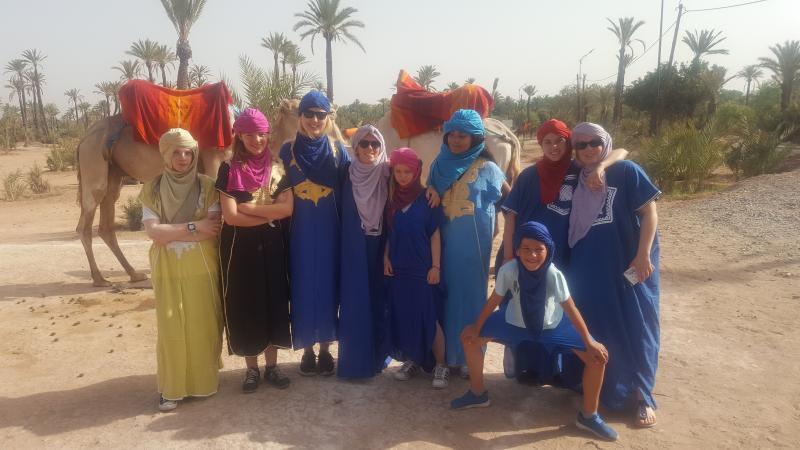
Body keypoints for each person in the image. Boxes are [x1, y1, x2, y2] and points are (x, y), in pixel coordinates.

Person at [451, 221, 618, 442]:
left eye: (538, 249)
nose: (532, 255)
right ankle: (478, 393)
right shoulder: (509, 270)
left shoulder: (553, 274)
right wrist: (476, 327)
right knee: (469, 339)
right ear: (517, 250)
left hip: (551, 326)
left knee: (597, 358)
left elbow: (571, 308)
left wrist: (589, 341)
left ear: (548, 250)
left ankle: (589, 416)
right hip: (513, 322)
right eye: (526, 249)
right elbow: (495, 300)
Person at [499, 119, 627, 382]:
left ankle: (559, 370)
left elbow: (622, 151)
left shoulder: (578, 170)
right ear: (541, 145)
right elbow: (511, 217)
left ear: (568, 143)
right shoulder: (529, 176)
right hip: (528, 256)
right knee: (529, 308)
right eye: (547, 142)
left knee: (560, 310)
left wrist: (601, 166)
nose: (554, 147)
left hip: (564, 255)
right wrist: (510, 256)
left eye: (559, 141)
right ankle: (530, 367)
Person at [566, 122, 661, 428]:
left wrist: (643, 254)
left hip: (626, 265)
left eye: (594, 142)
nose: (588, 149)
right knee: (597, 326)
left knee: (638, 326)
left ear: (604, 142)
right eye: (580, 145)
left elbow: (649, 212)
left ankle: (642, 396)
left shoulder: (626, 171)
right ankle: (602, 391)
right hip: (589, 267)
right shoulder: (574, 178)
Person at [140, 128, 223, 412]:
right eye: (176, 152)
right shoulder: (152, 189)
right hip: (167, 269)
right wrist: (193, 226)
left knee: (203, 325)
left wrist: (171, 232)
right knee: (171, 326)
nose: (183, 158)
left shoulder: (207, 186)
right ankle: (172, 388)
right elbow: (154, 233)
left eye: (189, 152)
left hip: (202, 267)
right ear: (165, 154)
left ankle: (202, 382)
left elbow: (212, 229)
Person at [216, 108, 293, 393]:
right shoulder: (228, 168)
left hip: (272, 247)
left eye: (261, 134)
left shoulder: (278, 167)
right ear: (239, 136)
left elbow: (288, 209)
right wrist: (269, 214)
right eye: (249, 134)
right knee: (246, 303)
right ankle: (251, 369)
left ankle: (272, 366)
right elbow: (231, 217)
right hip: (240, 249)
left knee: (273, 301)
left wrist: (250, 208)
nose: (257, 140)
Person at [427, 109, 509, 375]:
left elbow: (512, 203)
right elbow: (428, 197)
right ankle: (445, 357)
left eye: (463, 136)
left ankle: (468, 357)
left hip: (474, 247)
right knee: (445, 297)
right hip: (442, 245)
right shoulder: (438, 165)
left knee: (471, 299)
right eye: (452, 134)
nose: (456, 140)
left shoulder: (489, 168)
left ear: (475, 138)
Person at [279, 90, 350, 376]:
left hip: (331, 230)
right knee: (303, 288)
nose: (315, 120)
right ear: (301, 117)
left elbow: (353, 188)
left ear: (327, 118)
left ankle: (325, 350)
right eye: (309, 114)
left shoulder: (338, 150)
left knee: (329, 287)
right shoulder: (287, 151)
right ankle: (307, 349)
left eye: (320, 115)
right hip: (299, 233)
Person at [383, 147, 448, 388]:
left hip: (422, 269)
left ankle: (441, 365)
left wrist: (436, 266)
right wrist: (386, 257)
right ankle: (413, 359)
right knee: (405, 316)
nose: (402, 176)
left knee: (428, 317)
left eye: (407, 172)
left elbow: (435, 235)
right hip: (399, 268)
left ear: (416, 171)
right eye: (398, 171)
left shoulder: (427, 198)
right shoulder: (391, 199)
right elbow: (389, 233)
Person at [337, 124, 391, 379]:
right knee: (355, 302)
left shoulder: (388, 173)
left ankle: (378, 357)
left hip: (380, 247)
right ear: (355, 147)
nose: (370, 148)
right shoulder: (345, 174)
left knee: (379, 301)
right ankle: (355, 364)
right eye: (364, 143)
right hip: (352, 246)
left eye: (375, 144)